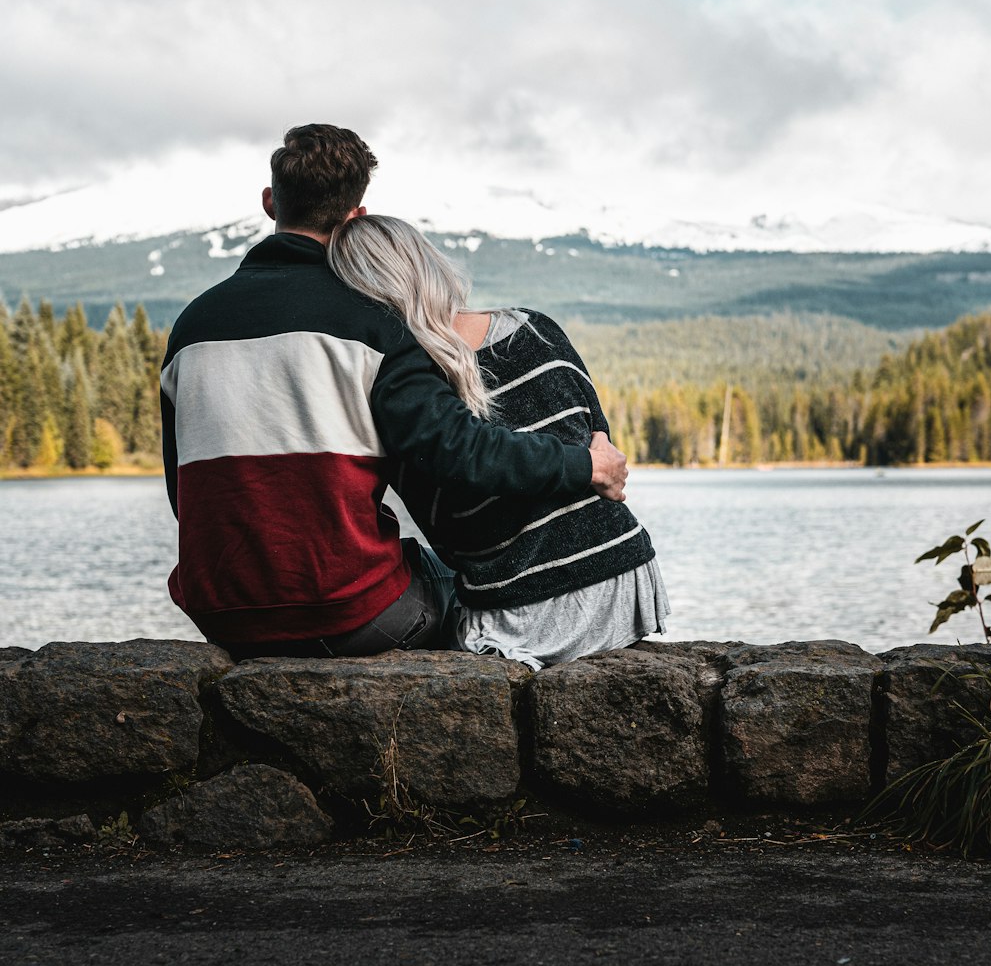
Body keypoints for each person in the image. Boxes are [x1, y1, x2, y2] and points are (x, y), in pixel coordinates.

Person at [160, 124, 628, 658]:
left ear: (271, 203)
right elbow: (456, 448)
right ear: (356, 216)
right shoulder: (372, 322)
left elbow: (183, 493)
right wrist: (583, 466)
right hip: (348, 614)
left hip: (223, 616)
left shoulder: (190, 327)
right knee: (461, 587)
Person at [328, 214, 669, 669]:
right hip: (626, 572)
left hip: (526, 613)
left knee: (403, 579)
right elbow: (600, 439)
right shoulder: (533, 326)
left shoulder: (398, 387)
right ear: (427, 264)